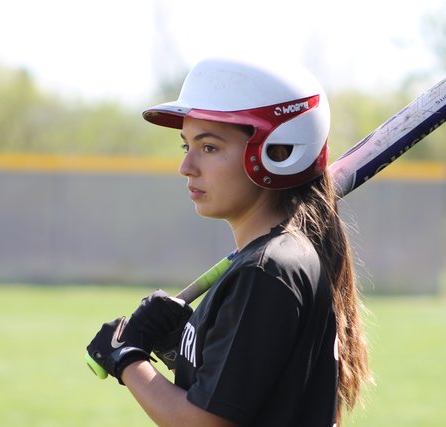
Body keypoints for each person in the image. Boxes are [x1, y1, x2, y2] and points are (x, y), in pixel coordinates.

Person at [86, 57, 371, 426]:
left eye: (209, 147)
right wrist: (185, 344)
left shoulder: (269, 269)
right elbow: (251, 393)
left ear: (279, 152)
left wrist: (126, 358)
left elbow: (206, 423)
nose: (186, 166)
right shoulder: (272, 260)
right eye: (185, 146)